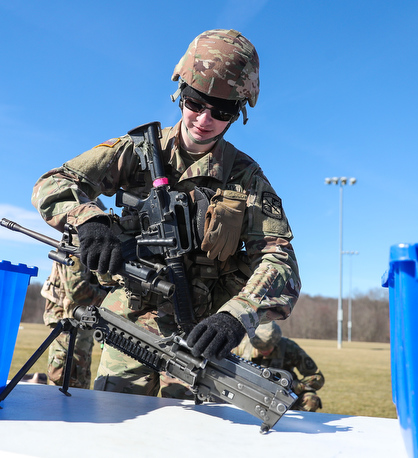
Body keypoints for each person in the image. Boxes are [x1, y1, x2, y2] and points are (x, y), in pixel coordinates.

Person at [31, 29, 300, 399]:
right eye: (195, 102)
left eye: (221, 110)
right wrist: (88, 218)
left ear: (240, 112)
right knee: (114, 422)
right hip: (129, 323)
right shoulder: (138, 150)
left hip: (201, 338)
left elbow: (280, 261)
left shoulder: (246, 178)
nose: (204, 119)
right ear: (180, 93)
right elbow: (53, 183)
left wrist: (236, 316)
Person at [40, 256, 108, 389]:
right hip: (69, 322)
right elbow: (77, 289)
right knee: (67, 380)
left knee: (79, 379)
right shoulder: (78, 241)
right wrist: (110, 298)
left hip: (79, 322)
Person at [234, 321, 324, 412]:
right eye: (260, 349)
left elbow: (318, 377)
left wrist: (295, 386)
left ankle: (293, 425)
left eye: (269, 348)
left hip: (284, 397)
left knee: (310, 400)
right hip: (250, 393)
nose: (265, 352)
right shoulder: (241, 347)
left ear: (276, 341)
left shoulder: (289, 348)